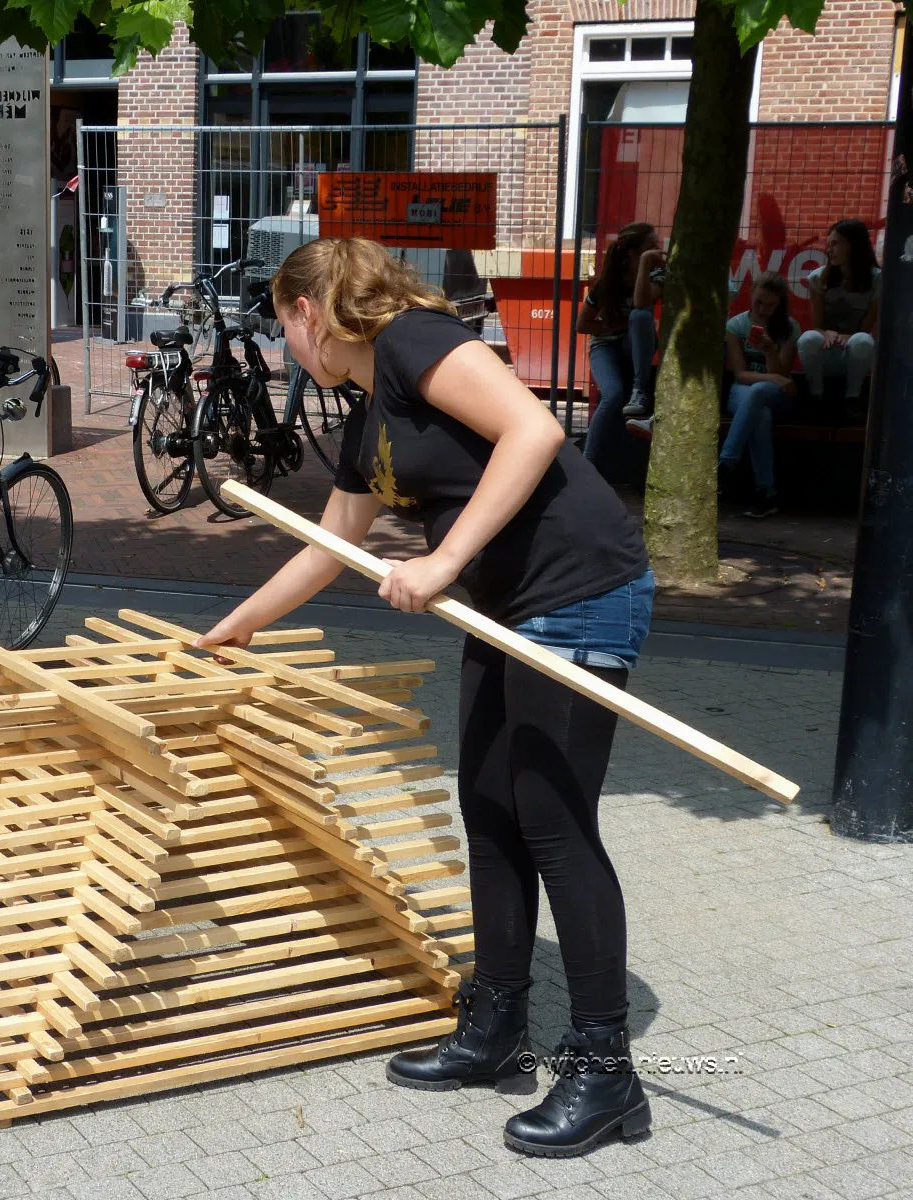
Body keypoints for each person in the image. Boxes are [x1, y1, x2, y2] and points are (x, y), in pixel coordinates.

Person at [196, 238, 654, 1158]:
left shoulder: (418, 341)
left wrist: (442, 560)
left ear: (305, 314)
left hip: (580, 590)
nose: (286, 348)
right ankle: (495, 1029)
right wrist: (235, 626)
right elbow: (329, 545)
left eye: (282, 329)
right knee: (488, 810)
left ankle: (607, 1074)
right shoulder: (371, 418)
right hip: (506, 607)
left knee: (552, 821)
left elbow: (535, 431)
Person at [577, 222, 663, 480]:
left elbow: (641, 304)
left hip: (635, 343)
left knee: (640, 317)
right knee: (612, 395)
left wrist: (647, 267)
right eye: (651, 247)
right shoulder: (608, 283)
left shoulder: (657, 275)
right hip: (604, 345)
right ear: (632, 253)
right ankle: (586, 470)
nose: (658, 251)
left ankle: (639, 390)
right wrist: (613, 324)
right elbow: (582, 324)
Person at [718, 272, 799, 519]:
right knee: (761, 413)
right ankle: (766, 492)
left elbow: (781, 373)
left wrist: (769, 350)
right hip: (743, 391)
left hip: (775, 394)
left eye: (771, 305)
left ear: (779, 304)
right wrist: (772, 378)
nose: (764, 310)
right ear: (751, 296)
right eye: (759, 303)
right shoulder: (735, 326)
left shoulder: (789, 327)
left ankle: (725, 465)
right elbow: (741, 373)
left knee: (762, 392)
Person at [797, 218, 879, 404]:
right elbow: (816, 325)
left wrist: (849, 336)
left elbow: (866, 327)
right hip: (827, 350)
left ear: (853, 246)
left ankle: (853, 399)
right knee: (808, 338)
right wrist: (826, 332)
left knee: (863, 341)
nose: (829, 250)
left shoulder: (876, 280)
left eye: (835, 244)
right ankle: (816, 396)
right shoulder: (817, 278)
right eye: (829, 244)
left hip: (856, 352)